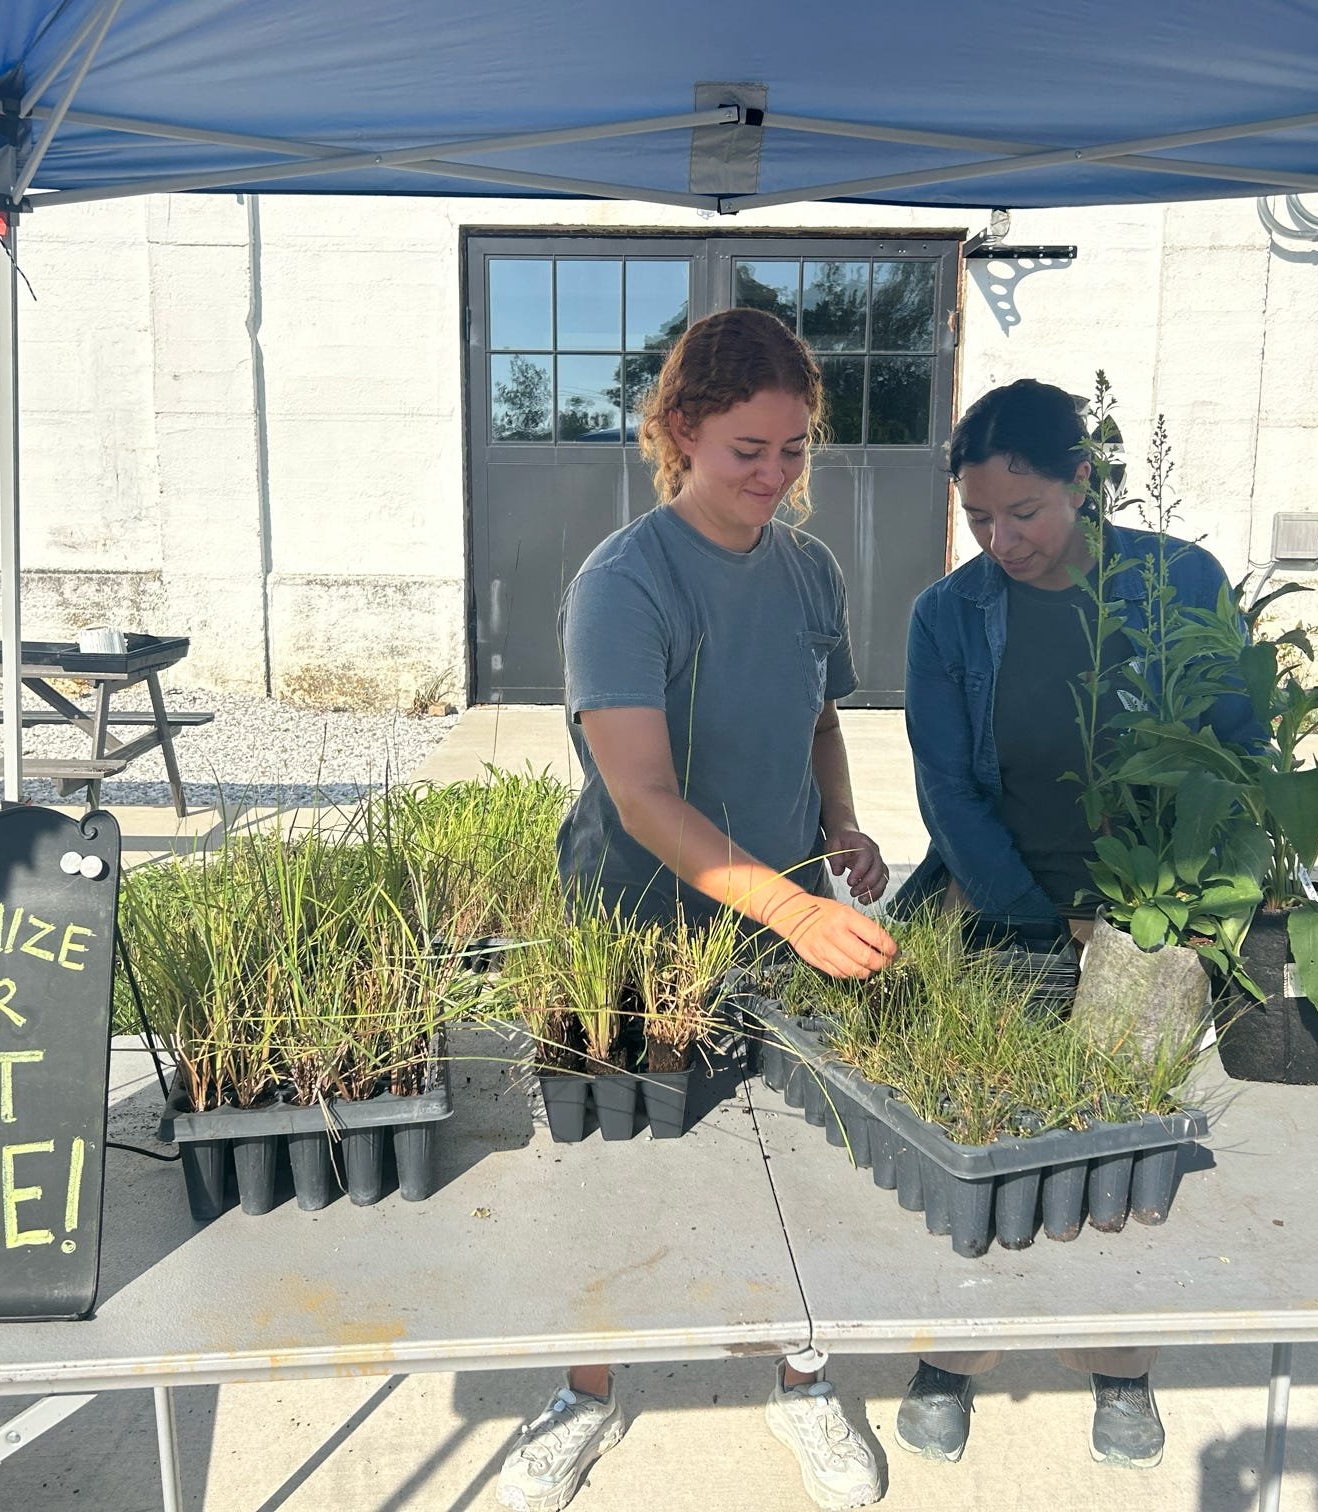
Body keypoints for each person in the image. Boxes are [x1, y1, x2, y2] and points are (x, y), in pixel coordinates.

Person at [495, 307, 898, 1512]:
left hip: (785, 915)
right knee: (610, 1177)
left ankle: (804, 1378)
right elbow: (643, 794)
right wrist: (793, 912)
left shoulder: (810, 570)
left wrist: (841, 825)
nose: (775, 476)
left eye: (795, 448)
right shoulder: (625, 583)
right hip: (633, 929)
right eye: (747, 450)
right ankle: (585, 1390)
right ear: (679, 430)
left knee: (804, 1167)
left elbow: (817, 718)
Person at [886, 378, 1257, 1468]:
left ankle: (1119, 1362)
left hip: (1146, 922)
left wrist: (1189, 912)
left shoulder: (1177, 583)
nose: (1001, 541)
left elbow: (1235, 745)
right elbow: (949, 793)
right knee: (985, 1144)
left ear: (1082, 482)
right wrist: (1030, 928)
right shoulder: (947, 616)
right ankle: (955, 1353)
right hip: (999, 908)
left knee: (1123, 1158)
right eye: (979, 519)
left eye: (1025, 512)